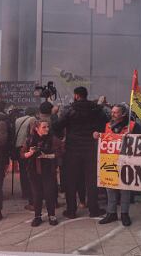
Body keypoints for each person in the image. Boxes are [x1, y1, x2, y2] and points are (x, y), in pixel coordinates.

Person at [53, 87, 108, 218]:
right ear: (86, 95)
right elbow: (105, 125)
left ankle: (71, 210)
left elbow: (57, 127)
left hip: (72, 150)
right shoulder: (96, 110)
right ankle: (94, 209)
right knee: (92, 180)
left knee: (71, 180)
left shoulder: (69, 110)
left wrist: (63, 136)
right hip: (91, 148)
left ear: (76, 95)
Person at [93, 104, 140, 226]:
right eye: (112, 112)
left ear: (123, 114)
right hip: (110, 160)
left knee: (125, 189)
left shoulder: (132, 126)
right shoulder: (108, 125)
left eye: (115, 112)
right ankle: (111, 213)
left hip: (126, 161)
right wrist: (97, 135)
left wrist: (132, 138)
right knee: (110, 188)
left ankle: (124, 214)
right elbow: (103, 138)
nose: (112, 114)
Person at [21, 118, 63, 226]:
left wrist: (48, 155)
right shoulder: (29, 139)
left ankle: (51, 215)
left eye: (48, 126)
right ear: (36, 128)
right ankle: (37, 216)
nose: (47, 129)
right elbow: (22, 154)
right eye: (44, 127)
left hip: (48, 170)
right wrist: (30, 153)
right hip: (34, 170)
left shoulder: (52, 139)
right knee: (36, 194)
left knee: (50, 194)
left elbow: (62, 150)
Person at [15, 107, 38, 210]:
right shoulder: (33, 119)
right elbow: (32, 133)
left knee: (23, 171)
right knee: (30, 171)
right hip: (27, 146)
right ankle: (31, 194)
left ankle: (25, 192)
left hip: (18, 146)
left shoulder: (18, 120)